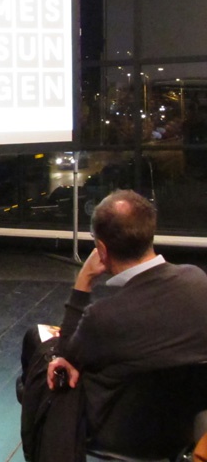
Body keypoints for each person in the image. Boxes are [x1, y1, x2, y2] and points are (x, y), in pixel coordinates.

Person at [20, 190, 207, 459]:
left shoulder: (104, 318)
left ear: (102, 249)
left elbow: (66, 354)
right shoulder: (198, 280)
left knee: (38, 345)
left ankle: (29, 400)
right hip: (184, 431)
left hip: (118, 432)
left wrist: (83, 281)